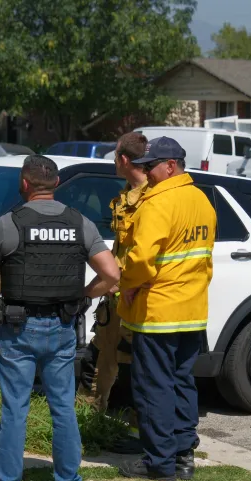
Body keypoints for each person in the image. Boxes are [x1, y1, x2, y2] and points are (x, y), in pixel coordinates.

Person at [0, 155, 120, 481]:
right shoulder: (79, 223)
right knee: (63, 408)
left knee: (14, 410)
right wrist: (85, 294)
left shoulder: (9, 224)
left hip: (19, 329)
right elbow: (112, 275)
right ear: (55, 184)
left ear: (24, 184)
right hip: (62, 327)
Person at [116, 137, 216, 481]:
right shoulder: (202, 201)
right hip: (192, 311)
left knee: (153, 387)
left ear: (170, 165)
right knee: (182, 382)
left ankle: (159, 463)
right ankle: (183, 456)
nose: (146, 172)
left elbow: (142, 259)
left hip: (158, 312)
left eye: (151, 165)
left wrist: (127, 284)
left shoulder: (158, 203)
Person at [90, 131, 148, 454]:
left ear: (124, 160)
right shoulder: (124, 196)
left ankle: (144, 432)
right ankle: (98, 418)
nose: (114, 162)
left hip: (140, 296)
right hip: (116, 294)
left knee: (142, 365)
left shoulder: (154, 199)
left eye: (115, 157)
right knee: (106, 356)